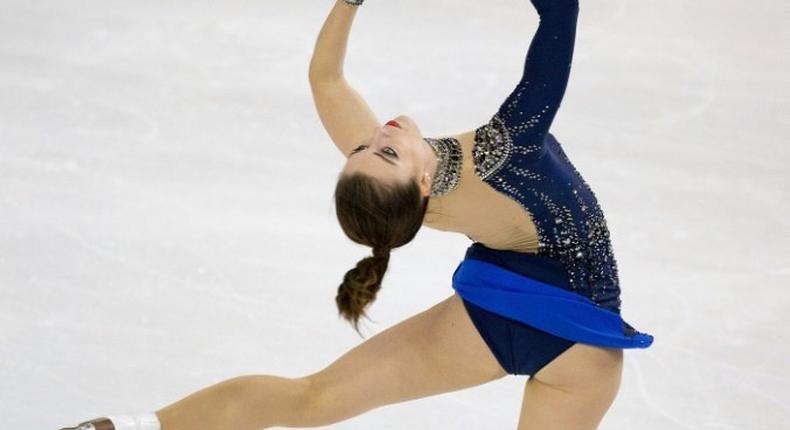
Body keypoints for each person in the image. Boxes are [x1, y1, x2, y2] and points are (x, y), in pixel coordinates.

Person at [60, 0, 653, 429]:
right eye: (383, 150)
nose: (377, 135)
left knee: (312, 400)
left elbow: (326, 79)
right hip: (579, 348)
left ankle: (133, 429)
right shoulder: (512, 148)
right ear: (422, 183)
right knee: (313, 399)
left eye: (362, 148)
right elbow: (559, 15)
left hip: (497, 313)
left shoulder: (392, 186)